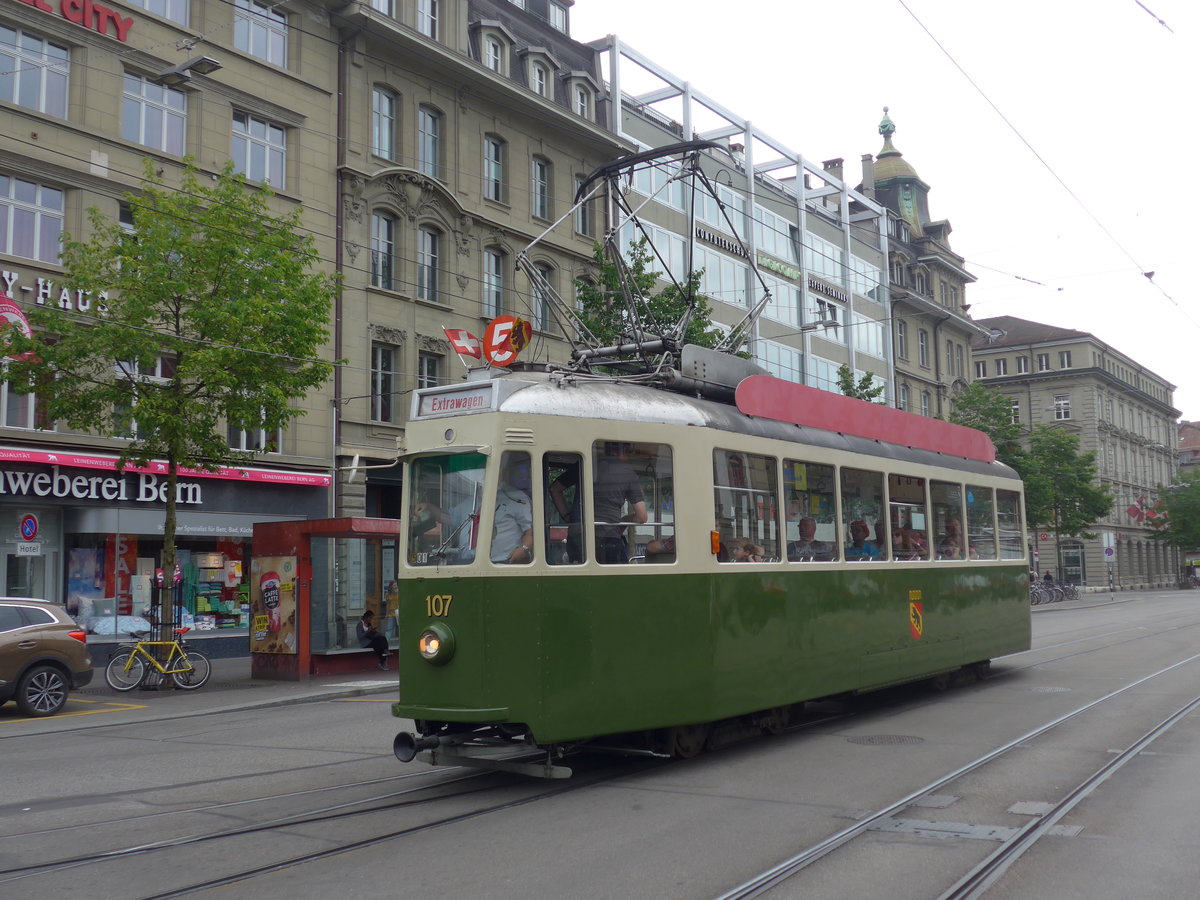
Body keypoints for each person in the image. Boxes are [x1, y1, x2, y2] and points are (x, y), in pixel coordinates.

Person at [492, 456, 534, 564]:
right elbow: (450, 518)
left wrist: (524, 549)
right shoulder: (472, 497)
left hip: (505, 563)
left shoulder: (518, 497)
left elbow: (531, 532)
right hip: (466, 563)